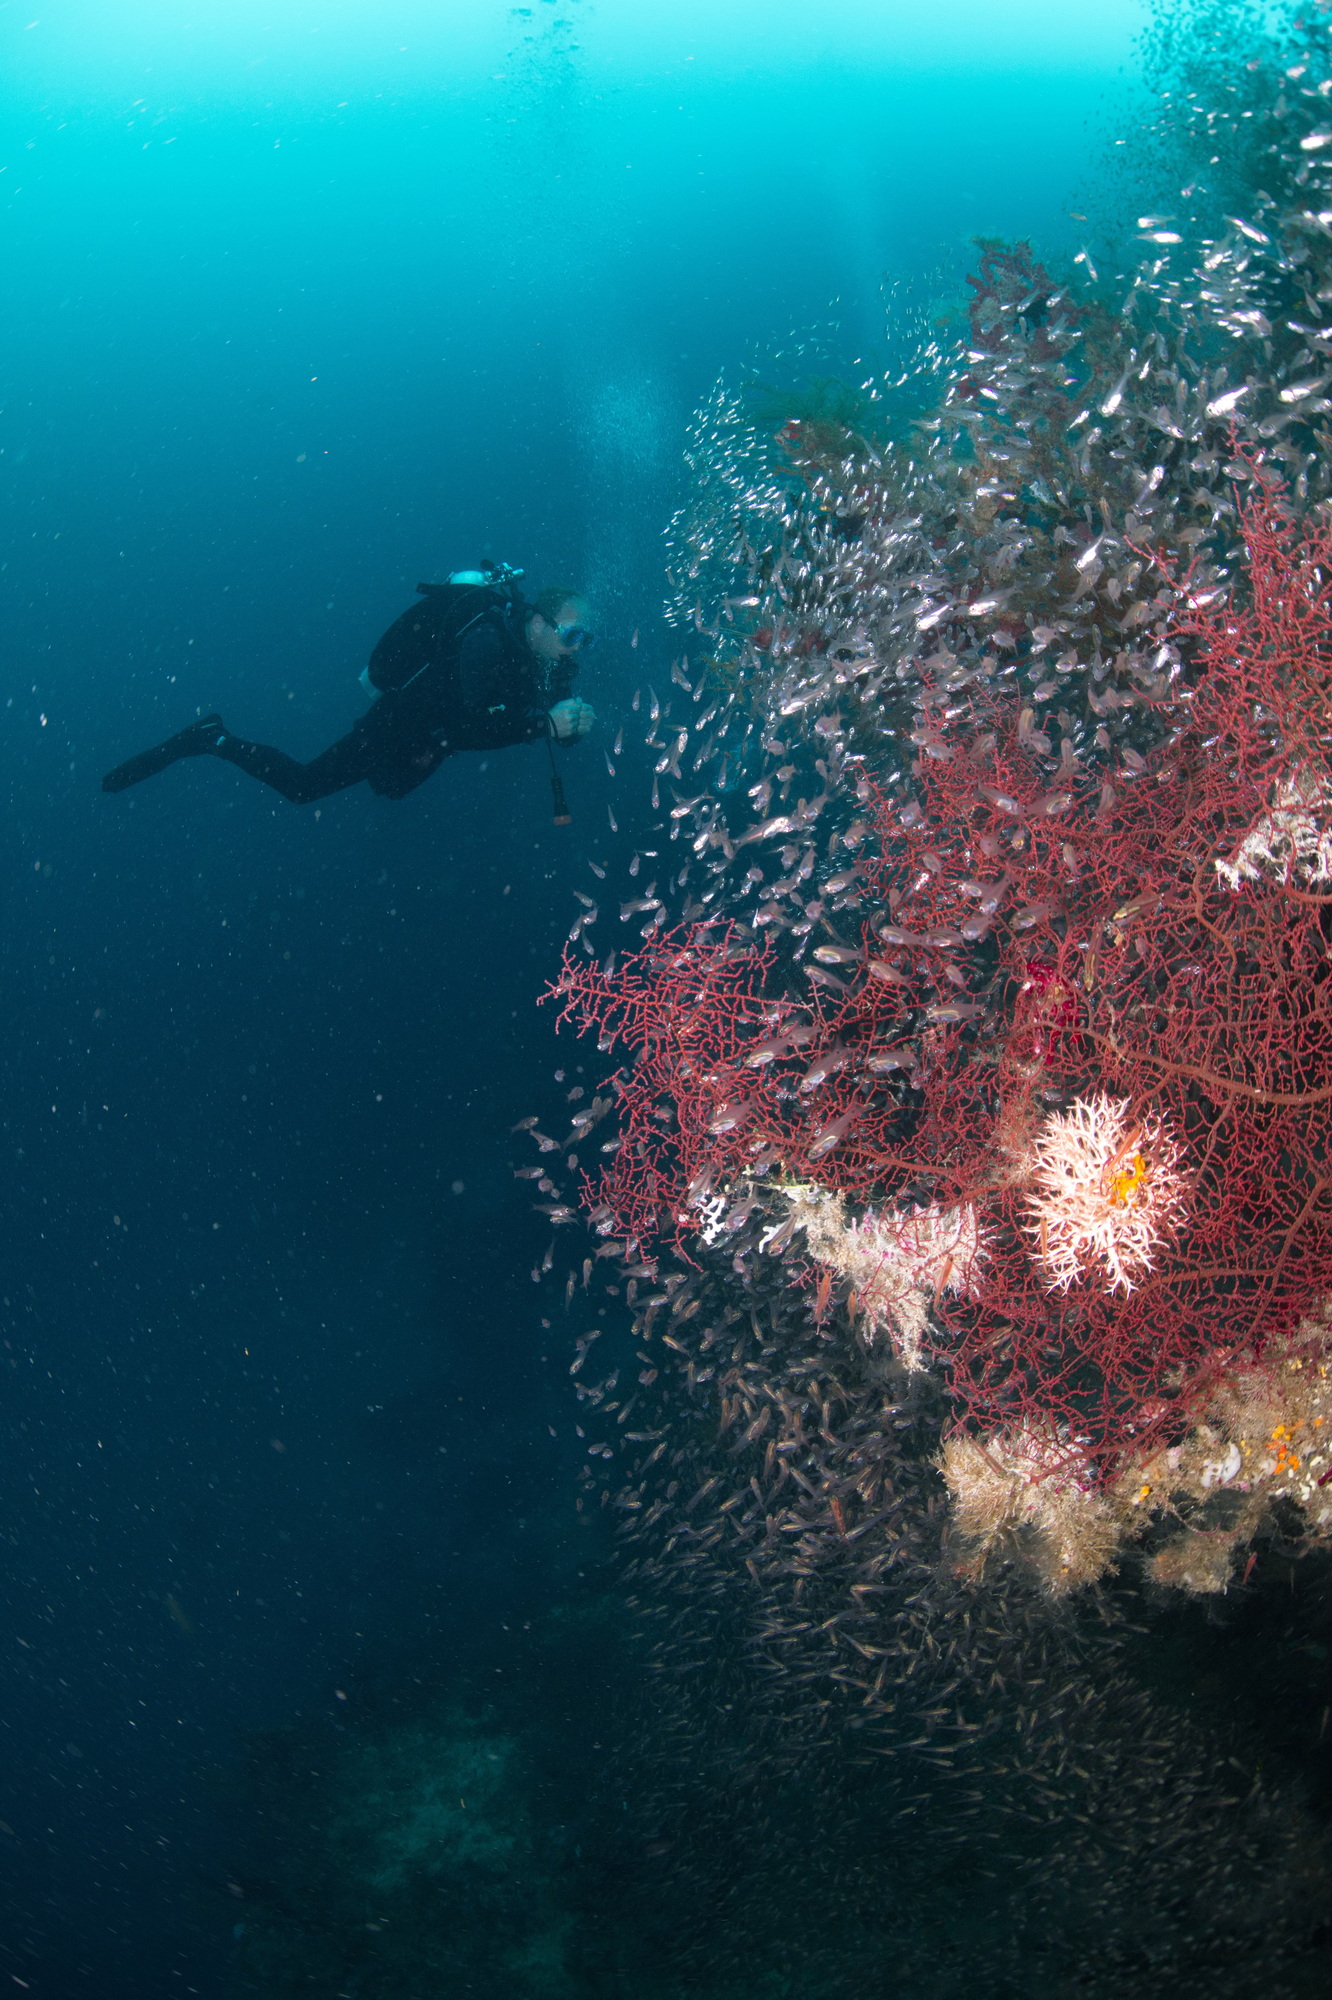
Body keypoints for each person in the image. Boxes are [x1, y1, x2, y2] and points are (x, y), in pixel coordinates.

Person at [101, 567, 597, 804]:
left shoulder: (546, 661)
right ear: (538, 623)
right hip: (401, 721)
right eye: (572, 635)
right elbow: (468, 726)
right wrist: (542, 729)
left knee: (390, 787)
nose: (578, 647)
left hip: (432, 738)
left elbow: (542, 724)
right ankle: (212, 738)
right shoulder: (487, 643)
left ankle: (213, 738)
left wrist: (571, 726)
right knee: (304, 785)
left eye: (585, 639)